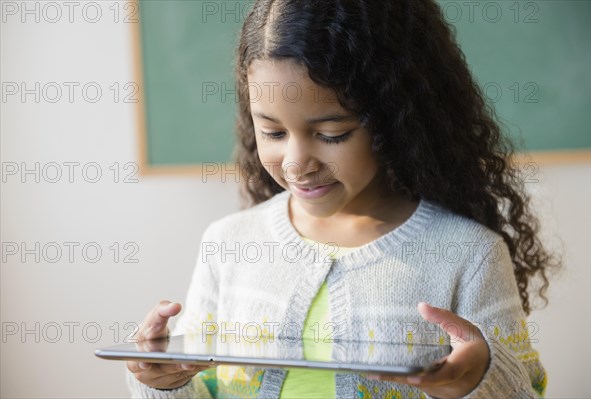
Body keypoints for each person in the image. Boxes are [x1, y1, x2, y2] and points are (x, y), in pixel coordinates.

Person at [126, 0, 560, 397]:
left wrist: (479, 379)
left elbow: (524, 389)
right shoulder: (228, 243)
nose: (296, 163)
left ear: (395, 119)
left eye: (332, 134)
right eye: (273, 132)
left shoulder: (471, 255)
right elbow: (198, 384)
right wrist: (161, 383)